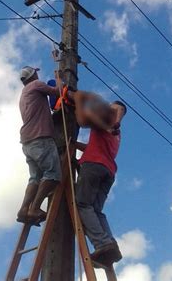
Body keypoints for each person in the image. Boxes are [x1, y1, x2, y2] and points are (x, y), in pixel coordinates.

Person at [74, 100, 127, 268]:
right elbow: (93, 147)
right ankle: (110, 244)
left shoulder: (109, 119)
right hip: (107, 170)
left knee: (83, 204)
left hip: (94, 165)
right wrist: (73, 145)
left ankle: (103, 244)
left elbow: (119, 108)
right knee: (96, 211)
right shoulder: (115, 134)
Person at [17, 66, 62, 225]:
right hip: (40, 137)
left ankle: (24, 210)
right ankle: (34, 208)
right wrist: (58, 77)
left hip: (27, 140)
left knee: (35, 177)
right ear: (33, 74)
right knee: (53, 174)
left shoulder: (23, 94)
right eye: (36, 72)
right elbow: (59, 91)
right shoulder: (36, 85)